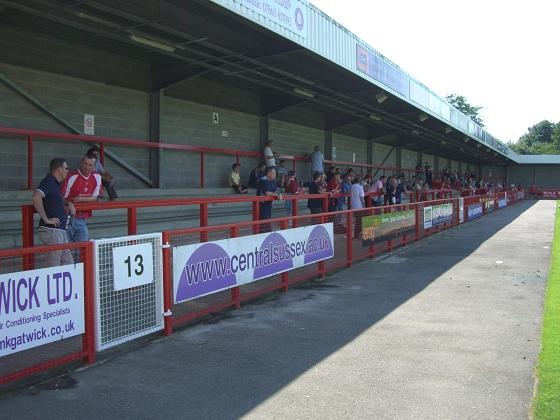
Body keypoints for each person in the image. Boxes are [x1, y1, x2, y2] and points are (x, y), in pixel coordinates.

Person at [31, 158, 74, 267]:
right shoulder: (48, 181)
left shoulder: (55, 184)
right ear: (59, 169)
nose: (67, 171)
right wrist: (46, 219)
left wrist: (69, 203)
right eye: (66, 168)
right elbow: (36, 197)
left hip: (60, 231)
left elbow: (56, 200)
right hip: (53, 231)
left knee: (68, 265)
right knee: (53, 266)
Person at [61, 152, 102, 243]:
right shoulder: (71, 176)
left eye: (90, 165)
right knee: (67, 248)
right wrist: (69, 203)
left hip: (82, 218)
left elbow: (96, 197)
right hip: (68, 217)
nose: (87, 167)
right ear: (81, 163)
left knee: (83, 247)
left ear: (94, 166)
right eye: (85, 163)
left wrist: (82, 199)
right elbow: (62, 197)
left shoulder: (97, 177)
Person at [259, 167, 280, 232]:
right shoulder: (263, 180)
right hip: (262, 204)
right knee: (264, 220)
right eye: (273, 173)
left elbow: (275, 190)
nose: (275, 175)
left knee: (268, 220)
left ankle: (268, 232)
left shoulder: (273, 181)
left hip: (269, 203)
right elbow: (267, 193)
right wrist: (277, 195)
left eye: (275, 173)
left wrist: (277, 194)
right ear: (268, 173)